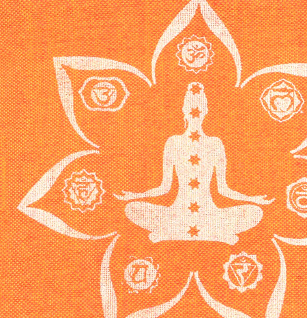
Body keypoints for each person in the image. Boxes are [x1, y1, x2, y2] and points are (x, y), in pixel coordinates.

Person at [116, 83, 273, 244]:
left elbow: (223, 190)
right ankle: (210, 232)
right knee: (132, 208)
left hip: (209, 214)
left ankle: (177, 231)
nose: (195, 112)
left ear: (205, 111)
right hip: (178, 213)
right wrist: (135, 196)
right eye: (191, 108)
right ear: (184, 110)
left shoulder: (215, 144)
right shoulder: (173, 142)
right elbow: (164, 188)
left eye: (199, 109)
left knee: (255, 212)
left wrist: (253, 199)